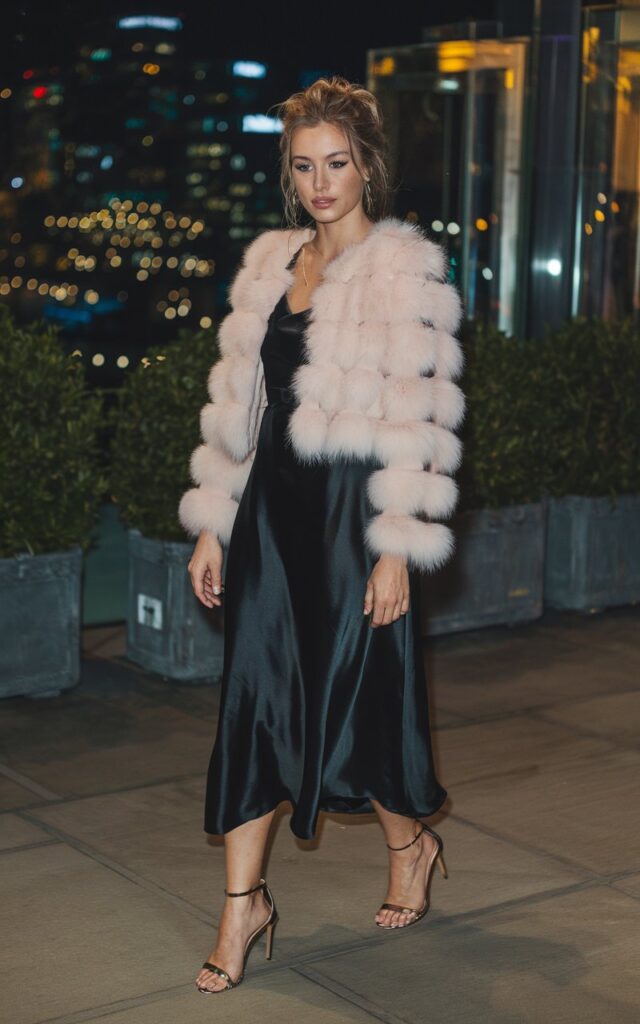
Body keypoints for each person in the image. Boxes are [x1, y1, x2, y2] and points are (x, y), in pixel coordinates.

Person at [179, 76, 464, 994]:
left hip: (353, 522)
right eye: (304, 166)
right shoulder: (270, 264)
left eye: (336, 163)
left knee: (355, 709)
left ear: (367, 164)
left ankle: (410, 843)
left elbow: (416, 418)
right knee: (256, 704)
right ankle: (241, 907)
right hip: (270, 517)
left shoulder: (402, 267)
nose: (320, 181)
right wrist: (215, 524)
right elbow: (240, 411)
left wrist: (396, 547)